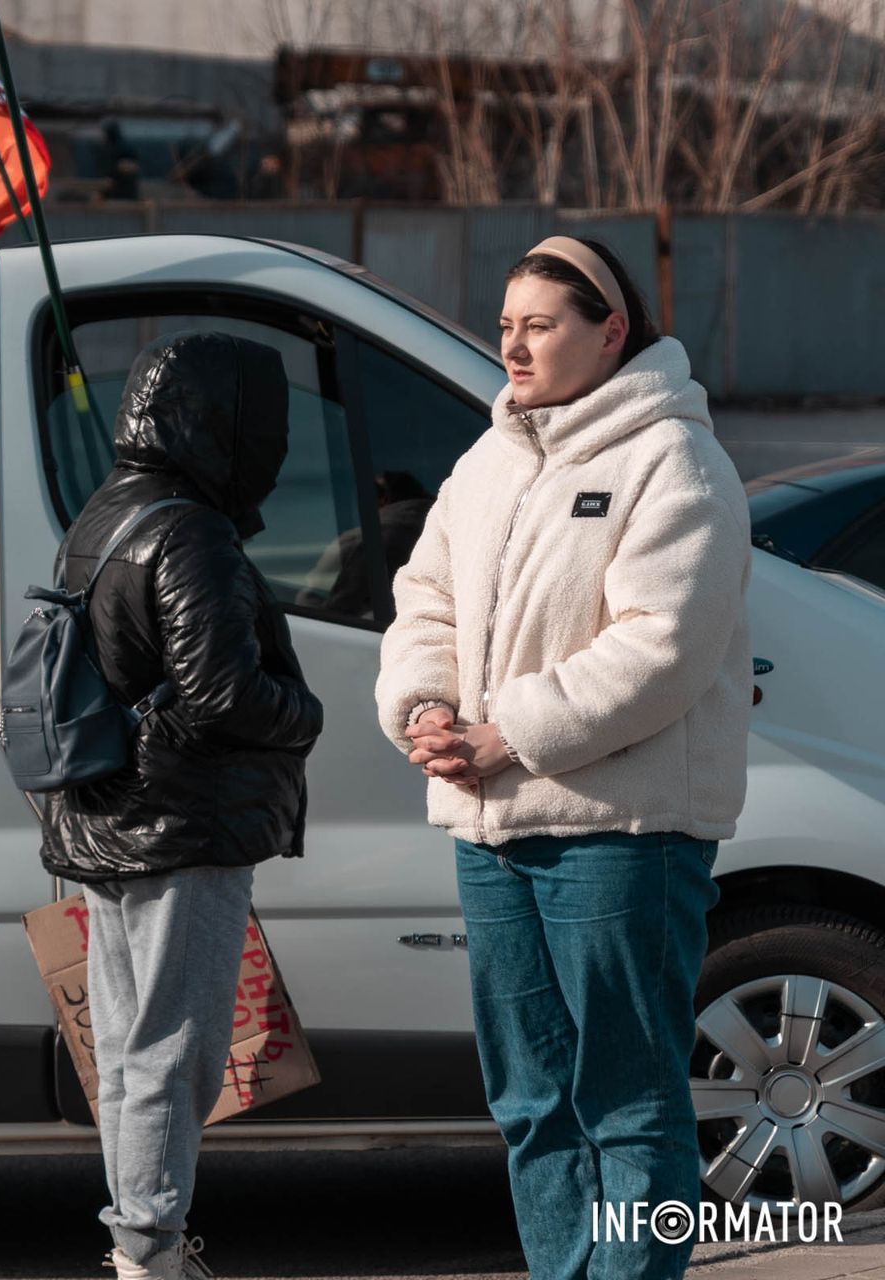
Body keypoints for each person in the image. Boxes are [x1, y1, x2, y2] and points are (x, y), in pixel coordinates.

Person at [375, 237, 751, 1280]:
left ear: (611, 331)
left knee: (629, 1102)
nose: (514, 344)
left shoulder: (675, 460)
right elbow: (426, 598)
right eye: (506, 325)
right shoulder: (489, 458)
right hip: (491, 830)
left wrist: (512, 732)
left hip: (619, 837)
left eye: (539, 323)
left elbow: (660, 647)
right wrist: (427, 708)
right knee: (530, 1101)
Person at [42, 331, 324, 1280]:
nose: (276, 453)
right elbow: (225, 695)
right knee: (174, 1049)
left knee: (127, 1049)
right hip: (184, 824)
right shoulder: (188, 530)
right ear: (221, 424)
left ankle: (138, 1242)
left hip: (105, 817)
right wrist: (306, 712)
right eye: (267, 426)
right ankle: (152, 1254)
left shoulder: (102, 515)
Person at [295, 469, 434, 617]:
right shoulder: (447, 532)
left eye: (372, 492)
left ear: (384, 498)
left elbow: (331, 607)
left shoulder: (365, 541)